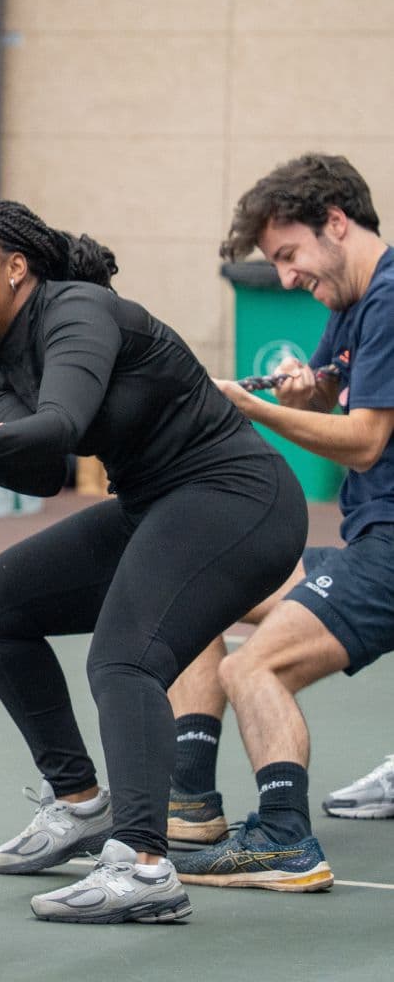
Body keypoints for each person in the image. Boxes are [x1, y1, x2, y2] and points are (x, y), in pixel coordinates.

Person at [0, 197, 308, 924]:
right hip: (153, 506)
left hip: (239, 497)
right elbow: (44, 468)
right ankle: (77, 801)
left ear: (17, 268)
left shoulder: (78, 310)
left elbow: (63, 423)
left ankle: (142, 863)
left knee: (124, 659)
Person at [165, 153, 394, 888]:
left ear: (336, 222)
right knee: (202, 587)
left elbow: (363, 439)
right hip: (371, 541)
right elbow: (330, 401)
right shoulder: (352, 305)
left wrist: (254, 407)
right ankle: (190, 802)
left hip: (389, 550)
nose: (289, 277)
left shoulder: (389, 298)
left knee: (251, 667)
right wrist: (300, 394)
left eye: (291, 256)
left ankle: (283, 840)